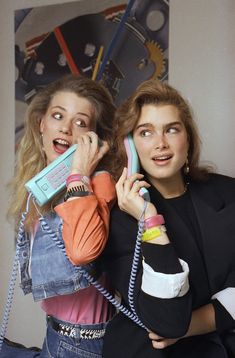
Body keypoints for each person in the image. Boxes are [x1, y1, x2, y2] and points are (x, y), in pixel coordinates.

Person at [101, 79, 235, 358]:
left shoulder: (229, 193)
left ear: (188, 138)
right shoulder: (120, 219)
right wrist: (149, 221)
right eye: (145, 132)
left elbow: (177, 328)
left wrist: (193, 325)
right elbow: (166, 319)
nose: (160, 144)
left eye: (171, 129)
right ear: (129, 145)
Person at [3, 74, 117, 357]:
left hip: (84, 344)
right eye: (57, 116)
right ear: (41, 123)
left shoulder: (100, 184)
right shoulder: (38, 187)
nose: (66, 129)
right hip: (56, 334)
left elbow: (82, 251)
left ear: (95, 140)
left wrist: (79, 173)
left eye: (80, 123)